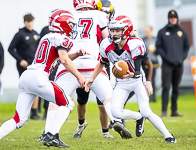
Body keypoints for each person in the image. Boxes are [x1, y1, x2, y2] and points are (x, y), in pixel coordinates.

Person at [37, 0, 133, 141]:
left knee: (57, 101)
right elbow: (108, 38)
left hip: (70, 63)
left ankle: (48, 132)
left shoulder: (69, 15)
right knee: (108, 97)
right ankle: (116, 120)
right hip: (92, 62)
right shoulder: (99, 14)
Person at [0, 10, 86, 148]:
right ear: (63, 25)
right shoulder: (61, 38)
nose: (72, 27)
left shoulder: (47, 37)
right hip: (39, 77)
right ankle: (53, 135)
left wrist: (76, 54)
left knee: (18, 119)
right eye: (70, 24)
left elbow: (60, 57)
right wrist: (79, 76)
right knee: (68, 102)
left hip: (27, 77)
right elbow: (64, 59)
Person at [85, 15, 177, 143]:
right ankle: (138, 117)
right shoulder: (106, 45)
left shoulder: (135, 44)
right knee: (115, 112)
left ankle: (169, 136)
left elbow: (138, 72)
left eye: (118, 31)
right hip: (121, 82)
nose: (114, 34)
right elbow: (101, 62)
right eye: (112, 30)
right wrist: (92, 79)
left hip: (137, 80)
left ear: (127, 31)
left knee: (146, 111)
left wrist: (132, 75)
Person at [74, 0, 115, 138]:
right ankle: (81, 123)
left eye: (108, 13)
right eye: (104, 12)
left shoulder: (109, 25)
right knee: (81, 99)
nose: (106, 15)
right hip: (85, 62)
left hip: (101, 63)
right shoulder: (92, 22)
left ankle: (106, 131)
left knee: (103, 101)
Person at [156, 10, 190, 117]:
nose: (173, 19)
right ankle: (164, 111)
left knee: (176, 88)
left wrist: (182, 58)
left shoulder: (182, 32)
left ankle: (174, 111)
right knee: (166, 87)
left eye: (174, 17)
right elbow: (158, 47)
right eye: (171, 17)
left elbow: (186, 47)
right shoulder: (162, 32)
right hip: (167, 65)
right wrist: (166, 58)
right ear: (168, 18)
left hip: (179, 64)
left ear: (177, 18)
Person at [8, 13, 40, 119]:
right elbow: (11, 49)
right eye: (28, 22)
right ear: (24, 22)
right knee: (25, 88)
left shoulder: (36, 34)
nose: (30, 24)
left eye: (31, 22)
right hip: (23, 66)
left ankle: (34, 112)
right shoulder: (20, 34)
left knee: (36, 86)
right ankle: (21, 112)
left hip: (34, 66)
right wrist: (20, 60)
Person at [142, 26, 159, 102]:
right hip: (145, 62)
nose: (147, 32)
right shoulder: (142, 40)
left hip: (153, 62)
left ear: (151, 31)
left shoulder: (155, 40)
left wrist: (155, 50)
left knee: (153, 80)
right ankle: (147, 97)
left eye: (148, 31)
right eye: (146, 31)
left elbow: (159, 51)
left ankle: (153, 97)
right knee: (145, 80)